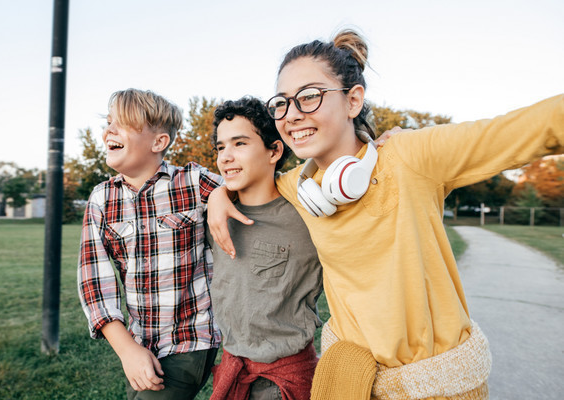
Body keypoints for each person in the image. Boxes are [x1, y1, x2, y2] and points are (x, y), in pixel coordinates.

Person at [208, 29, 564, 400]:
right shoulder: (299, 186)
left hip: (438, 385)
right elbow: (248, 174)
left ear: (353, 101)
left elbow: (535, 127)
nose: (293, 115)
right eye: (282, 103)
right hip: (348, 379)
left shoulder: (412, 155)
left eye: (310, 97)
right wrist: (220, 192)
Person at [77, 88, 222, 400]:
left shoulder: (192, 183)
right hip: (139, 345)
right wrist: (127, 350)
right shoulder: (102, 199)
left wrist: (222, 196)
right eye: (109, 122)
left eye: (123, 124)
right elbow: (94, 284)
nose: (109, 131)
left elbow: (245, 186)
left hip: (191, 340)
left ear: (159, 142)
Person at [206, 97, 323, 400]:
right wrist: (218, 195)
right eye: (220, 147)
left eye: (239, 143)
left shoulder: (306, 212)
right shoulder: (216, 215)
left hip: (286, 378)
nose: (226, 157)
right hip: (234, 371)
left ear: (274, 150)